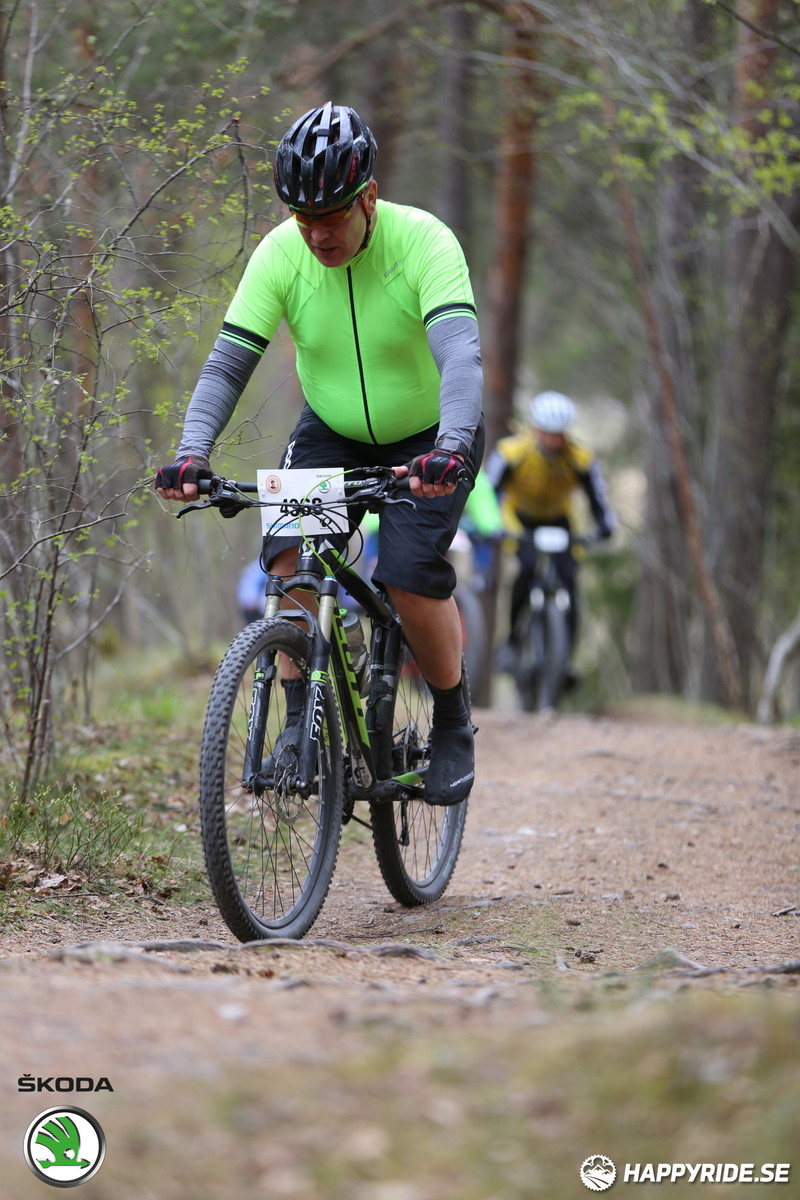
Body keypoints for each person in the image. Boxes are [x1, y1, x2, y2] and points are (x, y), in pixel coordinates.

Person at [155, 102, 484, 805]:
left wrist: (453, 445)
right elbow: (226, 365)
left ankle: (452, 719)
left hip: (430, 438)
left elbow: (461, 357)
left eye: (331, 214)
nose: (316, 233)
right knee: (287, 557)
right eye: (303, 216)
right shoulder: (280, 253)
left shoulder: (424, 241)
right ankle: (302, 718)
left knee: (407, 573)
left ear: (368, 196)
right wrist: (191, 453)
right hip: (331, 431)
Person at [485, 390, 616, 675]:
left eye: (559, 434)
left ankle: (564, 659)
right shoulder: (513, 452)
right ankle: (510, 643)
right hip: (519, 520)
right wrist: (490, 525)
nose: (554, 440)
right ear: (536, 429)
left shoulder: (579, 457)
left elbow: (598, 498)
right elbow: (488, 492)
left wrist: (605, 526)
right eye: (547, 432)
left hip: (560, 521)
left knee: (569, 581)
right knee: (527, 569)